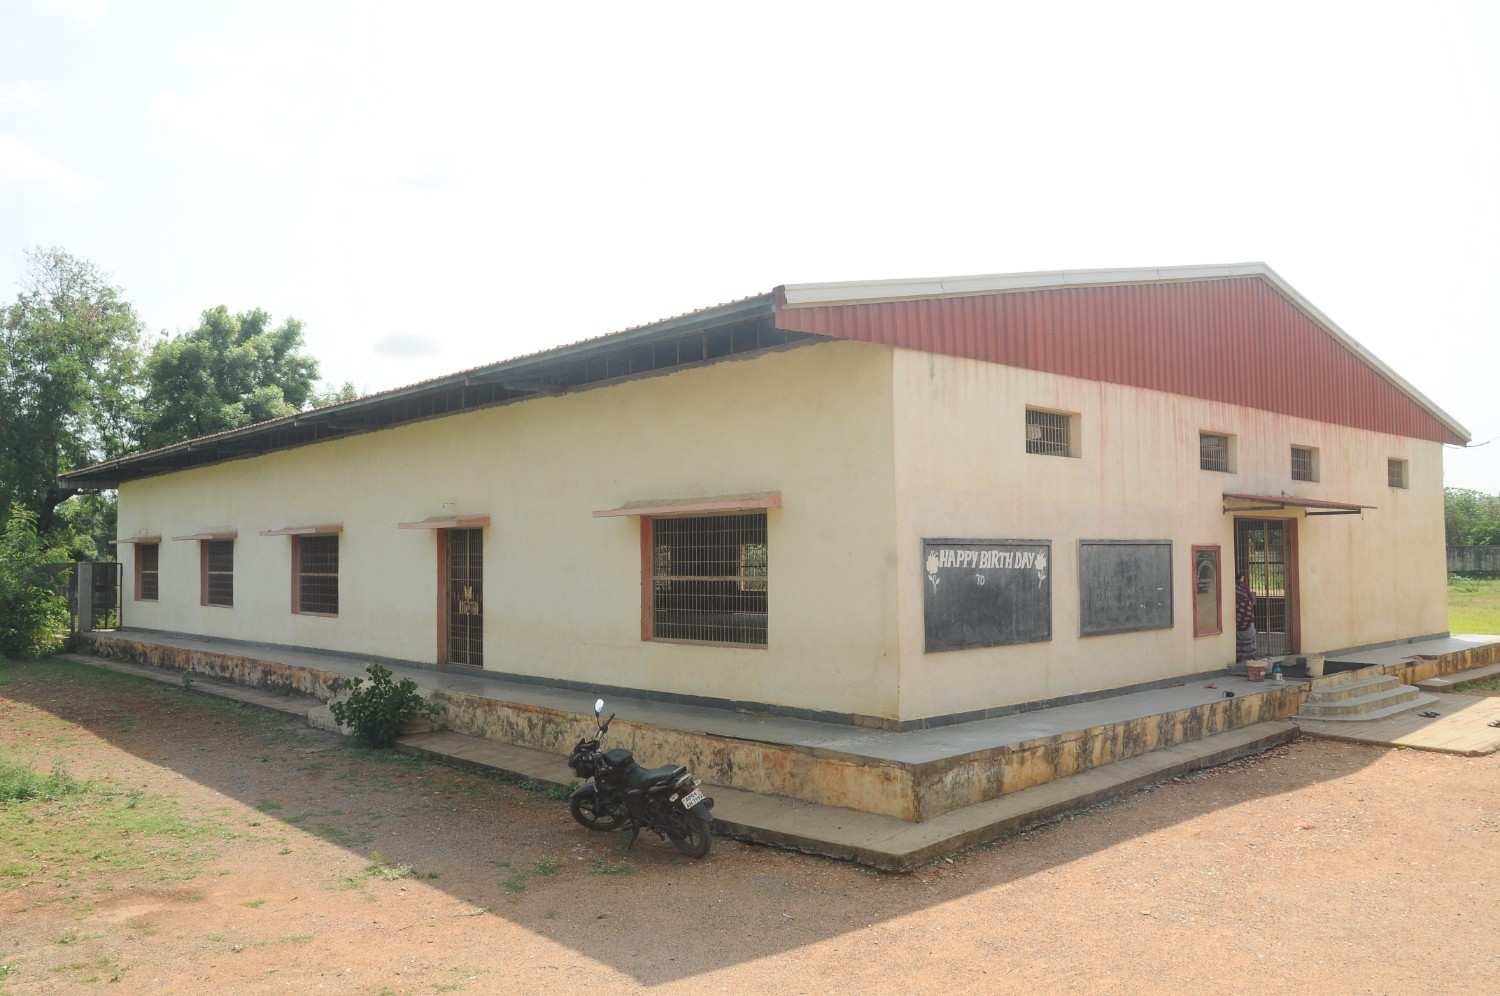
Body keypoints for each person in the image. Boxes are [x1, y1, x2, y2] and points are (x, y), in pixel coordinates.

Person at [1235, 571, 1257, 662]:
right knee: (1248, 639)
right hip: (1248, 619)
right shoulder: (1244, 588)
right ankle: (1250, 658)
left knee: (1240, 641)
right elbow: (1252, 601)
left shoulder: (1234, 588)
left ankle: (1241, 657)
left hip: (1239, 619)